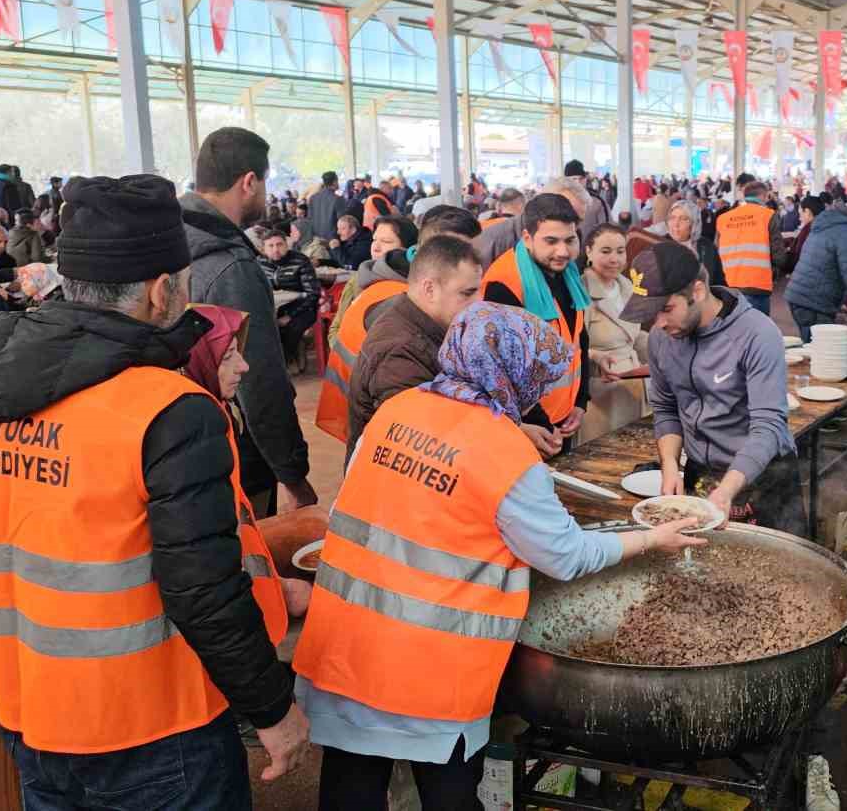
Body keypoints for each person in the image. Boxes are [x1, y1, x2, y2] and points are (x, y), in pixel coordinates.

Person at [0, 174, 308, 807]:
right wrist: (273, 709)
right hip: (155, 728)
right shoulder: (165, 409)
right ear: (162, 291)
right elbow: (204, 589)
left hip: (29, 710)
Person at [294, 302, 702, 810]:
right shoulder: (506, 454)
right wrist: (651, 539)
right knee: (450, 796)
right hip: (430, 671)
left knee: (349, 789)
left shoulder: (395, 412)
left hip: (345, 648)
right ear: (514, 372)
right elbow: (566, 555)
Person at [620, 243, 804, 535]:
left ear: (697, 291)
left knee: (773, 574)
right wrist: (669, 465)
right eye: (652, 313)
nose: (659, 323)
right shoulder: (661, 338)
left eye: (667, 309)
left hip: (761, 474)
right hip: (700, 470)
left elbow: (768, 426)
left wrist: (726, 490)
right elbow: (666, 407)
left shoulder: (757, 334)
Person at [181, 126, 318, 514]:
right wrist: (292, 473)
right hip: (230, 452)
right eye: (265, 182)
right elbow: (258, 379)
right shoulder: (230, 268)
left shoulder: (169, 242)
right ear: (249, 182)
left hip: (176, 445)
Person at [345, 235, 483, 459]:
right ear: (429, 289)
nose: (479, 301)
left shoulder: (434, 325)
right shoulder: (399, 350)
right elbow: (423, 441)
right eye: (467, 293)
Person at [482, 194, 590, 458]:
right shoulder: (504, 284)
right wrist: (540, 424)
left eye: (570, 240)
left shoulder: (568, 271)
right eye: (551, 241)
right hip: (529, 427)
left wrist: (580, 401)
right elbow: (503, 370)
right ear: (527, 238)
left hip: (562, 418)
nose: (563, 251)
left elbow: (579, 337)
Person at [314, 249, 411, 443]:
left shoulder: (374, 291)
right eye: (376, 239)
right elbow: (336, 329)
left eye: (386, 242)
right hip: (367, 402)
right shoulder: (396, 300)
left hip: (354, 401)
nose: (377, 247)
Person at [580, 225, 651, 443]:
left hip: (635, 383)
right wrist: (594, 356)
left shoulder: (627, 286)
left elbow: (634, 336)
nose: (615, 259)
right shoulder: (581, 290)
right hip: (601, 392)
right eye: (606, 251)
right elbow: (570, 344)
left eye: (620, 251)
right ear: (588, 251)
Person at [785, 194, 847, 343]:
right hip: (813, 302)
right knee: (824, 353)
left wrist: (838, 300)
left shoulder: (831, 222)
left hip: (802, 296)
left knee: (817, 350)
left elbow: (828, 265)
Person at [715, 180, 785, 316]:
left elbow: (716, 250)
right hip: (757, 284)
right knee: (758, 332)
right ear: (764, 197)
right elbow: (779, 256)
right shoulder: (768, 215)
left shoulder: (723, 218)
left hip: (728, 284)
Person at [258, 231, 322, 367]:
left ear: (286, 245)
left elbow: (313, 293)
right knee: (261, 329)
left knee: (291, 328)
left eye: (279, 244)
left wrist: (290, 316)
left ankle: (286, 362)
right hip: (273, 306)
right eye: (270, 246)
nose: (276, 249)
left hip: (302, 307)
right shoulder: (259, 263)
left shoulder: (300, 261)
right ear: (263, 249)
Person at [666, 199, 723, 285]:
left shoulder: (707, 246)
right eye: (672, 218)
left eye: (684, 219)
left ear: (694, 223)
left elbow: (719, 281)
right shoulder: (659, 245)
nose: (676, 224)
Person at [564, 158, 609, 235]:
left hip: (590, 245)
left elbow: (606, 229)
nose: (578, 182)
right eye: (574, 179)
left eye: (581, 178)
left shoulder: (597, 201)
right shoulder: (558, 200)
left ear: (585, 179)